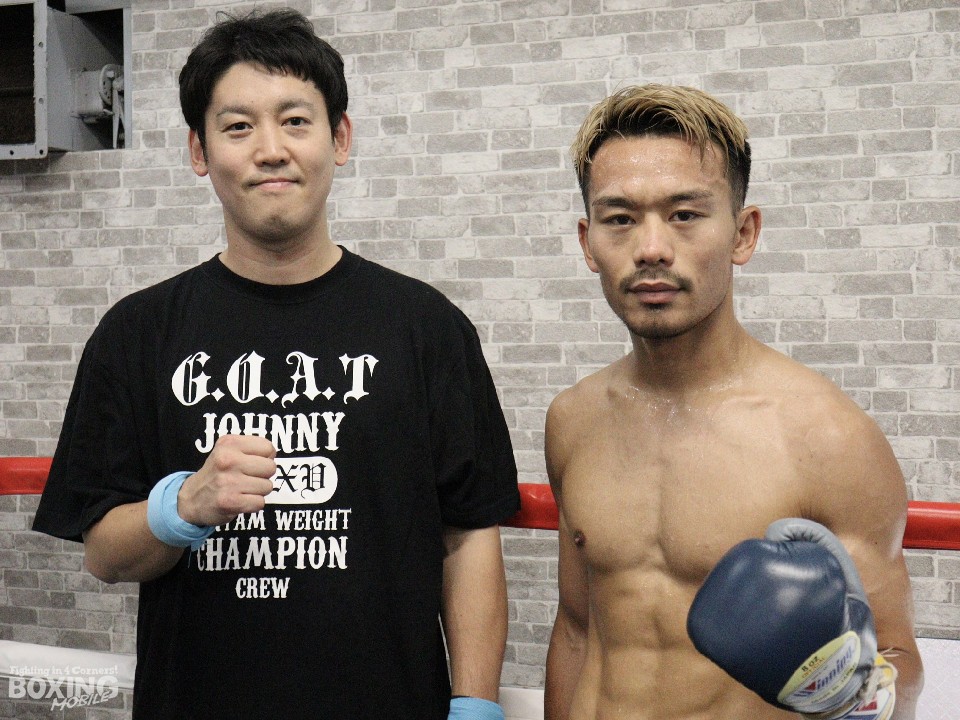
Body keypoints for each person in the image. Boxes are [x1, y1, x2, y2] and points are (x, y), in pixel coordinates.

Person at [33, 9, 519, 720]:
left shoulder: (426, 326)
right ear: (199, 151)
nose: (270, 150)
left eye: (295, 121)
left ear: (339, 138)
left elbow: (469, 533)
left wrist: (476, 705)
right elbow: (104, 554)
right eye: (238, 127)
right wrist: (184, 506)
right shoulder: (136, 333)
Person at [543, 84, 923, 720]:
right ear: (588, 242)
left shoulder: (827, 437)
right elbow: (577, 630)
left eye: (685, 215)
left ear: (743, 234)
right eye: (621, 219)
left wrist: (850, 690)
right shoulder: (573, 420)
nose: (651, 248)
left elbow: (898, 661)